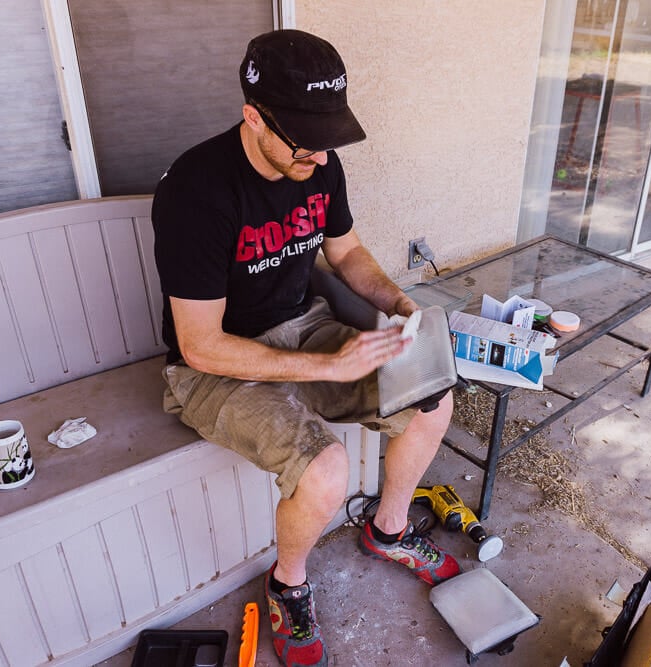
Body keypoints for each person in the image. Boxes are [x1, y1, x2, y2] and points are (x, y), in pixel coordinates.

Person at [151, 29, 460, 667]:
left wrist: (404, 308)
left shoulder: (319, 160)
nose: (318, 160)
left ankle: (389, 529)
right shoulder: (196, 190)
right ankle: (287, 586)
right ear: (253, 117)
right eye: (303, 144)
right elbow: (200, 345)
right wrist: (326, 365)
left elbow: (344, 252)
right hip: (215, 367)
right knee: (325, 472)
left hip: (304, 326)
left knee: (433, 394)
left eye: (327, 141)